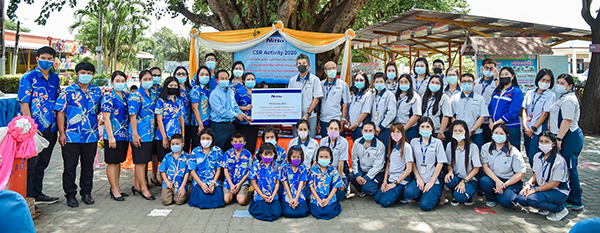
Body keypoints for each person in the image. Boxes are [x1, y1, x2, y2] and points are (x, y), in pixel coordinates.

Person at [54, 62, 102, 207]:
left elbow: (102, 111)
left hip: (90, 136)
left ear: (93, 75)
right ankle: (70, 194)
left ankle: (86, 193)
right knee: (70, 167)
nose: (85, 75)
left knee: (88, 166)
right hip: (70, 136)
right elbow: (60, 112)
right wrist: (61, 133)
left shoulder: (97, 92)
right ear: (77, 73)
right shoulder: (67, 91)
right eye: (83, 72)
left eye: (89, 73)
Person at [17, 46, 60, 205]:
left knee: (43, 162)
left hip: (52, 127)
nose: (47, 61)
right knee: (31, 164)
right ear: (37, 58)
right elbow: (24, 103)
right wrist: (31, 127)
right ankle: (27, 197)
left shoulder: (55, 78)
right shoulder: (28, 78)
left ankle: (37, 193)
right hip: (34, 129)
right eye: (44, 57)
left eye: (50, 58)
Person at [549, 74, 584, 211]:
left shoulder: (569, 100)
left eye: (562, 83)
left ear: (570, 86)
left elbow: (567, 120)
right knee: (565, 167)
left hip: (569, 137)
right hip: (562, 135)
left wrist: (559, 138)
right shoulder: (563, 98)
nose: (559, 85)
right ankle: (569, 195)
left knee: (570, 167)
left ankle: (576, 200)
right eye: (558, 82)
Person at [517, 131, 570, 221]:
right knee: (521, 198)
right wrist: (528, 184)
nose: (543, 144)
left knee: (532, 199)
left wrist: (535, 190)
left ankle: (560, 210)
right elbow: (535, 174)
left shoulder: (558, 161)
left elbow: (555, 183)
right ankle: (545, 208)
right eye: (541, 141)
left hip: (558, 191)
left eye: (546, 142)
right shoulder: (537, 156)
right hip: (542, 187)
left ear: (553, 144)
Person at [404, 117, 447, 211]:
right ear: (419, 129)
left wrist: (431, 181)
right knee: (408, 193)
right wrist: (418, 178)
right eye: (422, 126)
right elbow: (413, 162)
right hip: (419, 178)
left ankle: (437, 192)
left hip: (433, 179)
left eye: (428, 127)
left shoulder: (437, 143)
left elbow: (440, 163)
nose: (425, 129)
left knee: (425, 205)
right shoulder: (414, 142)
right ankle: (424, 193)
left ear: (432, 128)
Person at [479, 123, 526, 208]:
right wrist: (497, 181)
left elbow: (520, 173)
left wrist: (505, 185)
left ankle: (504, 194)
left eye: (501, 134)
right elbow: (485, 166)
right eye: (496, 133)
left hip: (510, 181)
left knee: (507, 202)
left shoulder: (513, 151)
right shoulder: (486, 148)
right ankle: (492, 198)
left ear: (507, 136)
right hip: (494, 178)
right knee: (484, 181)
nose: (498, 135)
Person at [101, 71, 130, 201]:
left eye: (122, 81)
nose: (120, 83)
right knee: (112, 162)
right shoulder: (108, 97)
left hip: (124, 134)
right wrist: (111, 137)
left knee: (118, 161)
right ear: (112, 82)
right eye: (117, 81)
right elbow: (106, 118)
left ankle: (117, 187)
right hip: (112, 135)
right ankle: (113, 189)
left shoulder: (126, 96)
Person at [128, 70, 156, 201]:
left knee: (145, 160)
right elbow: (132, 116)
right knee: (140, 161)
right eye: (145, 78)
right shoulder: (136, 96)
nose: (148, 81)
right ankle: (143, 189)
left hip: (150, 133)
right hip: (140, 134)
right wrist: (135, 134)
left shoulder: (152, 94)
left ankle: (137, 185)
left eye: (150, 78)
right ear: (140, 80)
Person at [374, 122, 413, 207]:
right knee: (377, 199)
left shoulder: (406, 147)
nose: (395, 134)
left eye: (398, 132)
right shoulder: (392, 146)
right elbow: (388, 164)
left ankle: (401, 194)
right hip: (390, 179)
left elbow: (409, 169)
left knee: (384, 202)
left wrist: (395, 183)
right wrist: (384, 182)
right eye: (393, 132)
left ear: (402, 133)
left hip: (400, 181)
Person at [521, 69, 556, 166]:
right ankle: (534, 177)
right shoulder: (530, 93)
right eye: (543, 79)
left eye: (548, 81)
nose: (545, 82)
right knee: (529, 154)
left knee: (535, 156)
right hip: (527, 130)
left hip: (538, 131)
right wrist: (525, 126)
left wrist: (533, 128)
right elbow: (524, 110)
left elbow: (545, 114)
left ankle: (539, 179)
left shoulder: (550, 95)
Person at [209, 70, 249, 152]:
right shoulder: (214, 94)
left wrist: (245, 117)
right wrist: (236, 115)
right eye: (222, 78)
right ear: (217, 80)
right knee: (218, 151)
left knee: (231, 152)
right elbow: (221, 112)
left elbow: (235, 107)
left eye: (226, 78)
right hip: (219, 127)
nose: (224, 80)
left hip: (231, 126)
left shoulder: (230, 92)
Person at [444, 120, 481, 206]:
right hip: (457, 178)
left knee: (460, 196)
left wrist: (464, 181)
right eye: (455, 131)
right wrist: (450, 172)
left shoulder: (472, 147)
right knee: (449, 179)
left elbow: (476, 169)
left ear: (466, 132)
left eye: (460, 131)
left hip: (469, 179)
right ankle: (456, 191)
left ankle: (467, 194)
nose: (458, 133)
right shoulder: (450, 146)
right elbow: (449, 164)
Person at [154, 77, 185, 176]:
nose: (173, 87)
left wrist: (183, 135)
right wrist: (164, 138)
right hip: (163, 136)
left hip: (176, 136)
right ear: (166, 86)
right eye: (171, 85)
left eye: (175, 85)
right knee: (165, 162)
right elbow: (159, 120)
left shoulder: (179, 101)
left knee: (176, 161)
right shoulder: (161, 101)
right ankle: (165, 185)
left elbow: (181, 118)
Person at [288, 53, 323, 138]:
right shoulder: (292, 81)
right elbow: (289, 98)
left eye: (304, 63)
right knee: (297, 139)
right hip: (296, 116)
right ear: (296, 66)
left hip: (310, 116)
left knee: (310, 138)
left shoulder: (315, 80)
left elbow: (316, 99)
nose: (301, 65)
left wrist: (308, 114)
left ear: (308, 65)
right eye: (299, 64)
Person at [188, 128, 225, 209]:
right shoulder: (195, 151)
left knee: (218, 199)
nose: (205, 141)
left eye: (208, 138)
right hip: (200, 180)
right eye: (203, 138)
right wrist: (201, 184)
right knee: (202, 199)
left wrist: (213, 182)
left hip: (213, 179)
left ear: (212, 139)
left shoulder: (218, 151)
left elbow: (218, 169)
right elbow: (192, 171)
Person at [450, 73, 489, 148]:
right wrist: (459, 129)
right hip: (459, 133)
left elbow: (482, 117)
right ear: (460, 83)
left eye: (469, 81)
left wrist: (472, 130)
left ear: (473, 84)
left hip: (476, 133)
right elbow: (452, 116)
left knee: (477, 153)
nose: (466, 83)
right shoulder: (454, 98)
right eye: (464, 81)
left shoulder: (480, 99)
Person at [488, 67, 523, 149]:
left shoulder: (516, 92)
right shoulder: (497, 91)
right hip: (495, 128)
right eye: (502, 75)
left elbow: (513, 112)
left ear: (513, 76)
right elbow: (490, 107)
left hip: (510, 127)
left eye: (506, 74)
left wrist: (496, 124)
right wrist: (491, 122)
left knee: (511, 151)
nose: (504, 76)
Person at [349, 121, 385, 197]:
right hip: (362, 171)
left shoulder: (380, 146)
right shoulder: (357, 142)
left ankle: (372, 187)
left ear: (375, 131)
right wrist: (358, 175)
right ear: (361, 131)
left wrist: (366, 178)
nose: (368, 133)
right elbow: (354, 160)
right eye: (365, 131)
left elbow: (378, 166)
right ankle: (361, 190)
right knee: (351, 176)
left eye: (370, 131)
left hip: (375, 173)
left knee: (369, 189)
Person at [248, 143, 283, 222]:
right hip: (260, 194)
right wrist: (262, 195)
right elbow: (254, 183)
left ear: (274, 154)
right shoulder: (256, 166)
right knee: (264, 213)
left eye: (271, 155)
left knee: (276, 213)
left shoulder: (276, 166)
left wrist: (273, 195)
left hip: (272, 193)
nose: (268, 157)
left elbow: (277, 183)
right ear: (260, 154)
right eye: (266, 154)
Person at [309, 147, 344, 220]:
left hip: (329, 197)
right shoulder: (313, 169)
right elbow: (311, 186)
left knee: (328, 211)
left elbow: (336, 186)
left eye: (326, 157)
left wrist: (327, 200)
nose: (323, 159)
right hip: (316, 198)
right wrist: (318, 199)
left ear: (330, 158)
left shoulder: (333, 170)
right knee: (317, 210)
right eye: (321, 157)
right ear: (317, 157)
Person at [319, 120, 349, 201]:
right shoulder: (323, 141)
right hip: (326, 172)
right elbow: (321, 161)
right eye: (331, 128)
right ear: (327, 128)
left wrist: (338, 180)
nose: (333, 131)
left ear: (339, 130)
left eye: (336, 129)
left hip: (338, 172)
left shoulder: (344, 142)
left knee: (339, 195)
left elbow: (341, 162)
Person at [319, 61, 350, 137]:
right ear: (325, 71)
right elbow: (318, 103)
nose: (332, 70)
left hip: (337, 119)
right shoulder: (320, 84)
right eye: (329, 68)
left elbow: (345, 104)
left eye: (334, 68)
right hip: (324, 120)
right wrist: (317, 121)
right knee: (325, 144)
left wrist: (343, 120)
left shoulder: (343, 85)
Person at [221, 132, 253, 205]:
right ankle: (233, 193)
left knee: (242, 202)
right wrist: (231, 185)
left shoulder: (248, 154)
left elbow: (249, 171)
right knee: (226, 200)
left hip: (242, 181)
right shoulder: (227, 154)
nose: (238, 143)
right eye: (235, 142)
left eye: (240, 142)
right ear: (232, 142)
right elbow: (225, 170)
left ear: (244, 143)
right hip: (230, 181)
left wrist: (239, 184)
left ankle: (239, 194)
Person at [158, 134, 190, 205]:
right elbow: (162, 171)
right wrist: (166, 182)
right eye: (172, 144)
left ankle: (182, 192)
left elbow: (187, 173)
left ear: (182, 145)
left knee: (179, 201)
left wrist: (182, 186)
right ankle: (171, 193)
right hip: (169, 183)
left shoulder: (186, 157)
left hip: (180, 183)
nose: (174, 146)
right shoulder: (167, 156)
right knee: (166, 201)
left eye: (177, 144)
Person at [421, 74, 452, 143]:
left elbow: (446, 116)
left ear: (441, 86)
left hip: (438, 131)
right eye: (432, 82)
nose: (434, 84)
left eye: (437, 83)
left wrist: (441, 132)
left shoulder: (444, 98)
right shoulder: (424, 96)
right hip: (425, 130)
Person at [281, 147, 310, 218]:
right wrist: (290, 198)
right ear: (289, 157)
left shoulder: (303, 168)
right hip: (288, 193)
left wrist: (296, 198)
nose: (296, 159)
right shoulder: (285, 167)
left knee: (302, 212)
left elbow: (301, 183)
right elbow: (285, 183)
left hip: (300, 193)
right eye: (293, 157)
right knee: (287, 212)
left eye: (298, 157)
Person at [474, 58, 498, 142]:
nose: (488, 70)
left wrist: (496, 77)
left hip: (490, 121)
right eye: (486, 67)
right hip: (477, 120)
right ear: (482, 67)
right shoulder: (476, 83)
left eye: (491, 68)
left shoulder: (496, 83)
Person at [371, 72, 396, 151]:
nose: (379, 84)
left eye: (381, 82)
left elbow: (391, 113)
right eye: (377, 82)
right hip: (374, 129)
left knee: (385, 150)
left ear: (385, 83)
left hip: (385, 128)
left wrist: (380, 127)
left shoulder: (389, 95)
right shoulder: (373, 95)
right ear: (373, 83)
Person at [235, 72, 259, 153]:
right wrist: (245, 108)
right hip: (242, 123)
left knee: (252, 145)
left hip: (254, 123)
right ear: (244, 81)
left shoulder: (258, 92)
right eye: (248, 79)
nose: (251, 81)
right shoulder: (239, 92)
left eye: (252, 79)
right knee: (242, 145)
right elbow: (234, 106)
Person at [172, 67, 194, 154]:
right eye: (178, 74)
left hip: (190, 122)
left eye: (183, 74)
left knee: (187, 146)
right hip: (177, 123)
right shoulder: (173, 90)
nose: (181, 76)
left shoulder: (191, 89)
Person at [395, 74, 422, 141]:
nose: (403, 84)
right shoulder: (397, 95)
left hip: (409, 129)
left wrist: (404, 129)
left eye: (406, 82)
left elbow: (416, 115)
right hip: (397, 128)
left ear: (410, 83)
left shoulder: (415, 97)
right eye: (401, 82)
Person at [190, 66, 211, 150]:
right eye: (202, 74)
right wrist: (200, 125)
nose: (204, 76)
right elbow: (195, 108)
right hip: (198, 124)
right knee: (198, 147)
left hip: (208, 122)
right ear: (197, 76)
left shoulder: (209, 89)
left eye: (206, 74)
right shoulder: (196, 89)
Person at [347, 73, 373, 140]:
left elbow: (365, 112)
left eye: (361, 80)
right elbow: (352, 109)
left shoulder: (368, 94)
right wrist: (349, 121)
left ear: (365, 81)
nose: (359, 82)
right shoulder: (355, 94)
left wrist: (356, 124)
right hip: (353, 126)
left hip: (361, 126)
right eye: (357, 80)